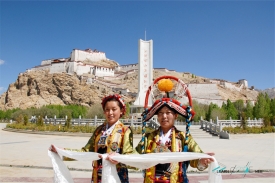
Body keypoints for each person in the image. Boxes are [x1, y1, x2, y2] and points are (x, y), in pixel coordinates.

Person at [134, 77, 215, 183]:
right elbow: (134, 157)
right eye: (160, 113)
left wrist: (202, 160)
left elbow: (195, 157)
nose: (164, 116)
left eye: (168, 113)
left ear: (176, 115)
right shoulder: (149, 137)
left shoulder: (183, 137)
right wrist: (118, 157)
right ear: (157, 116)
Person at [50, 94, 134, 183]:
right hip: (98, 177)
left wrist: (118, 158)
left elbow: (129, 157)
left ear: (121, 111)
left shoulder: (125, 131)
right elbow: (86, 151)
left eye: (114, 109)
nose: (110, 113)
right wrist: (63, 151)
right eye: (107, 110)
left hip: (117, 178)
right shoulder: (99, 131)